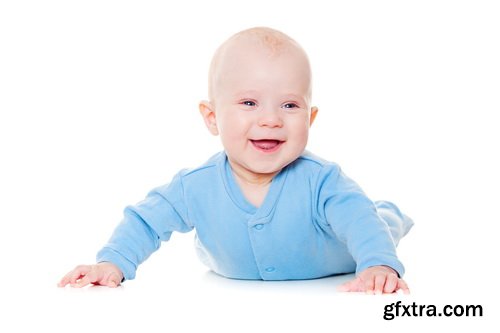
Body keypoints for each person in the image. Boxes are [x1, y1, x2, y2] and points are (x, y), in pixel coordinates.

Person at [58, 27, 413, 294]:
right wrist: (112, 262)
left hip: (344, 244)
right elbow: (146, 221)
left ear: (310, 118)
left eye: (290, 105)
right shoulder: (196, 185)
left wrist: (378, 264)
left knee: (375, 219)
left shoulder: (322, 180)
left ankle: (391, 216)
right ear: (212, 118)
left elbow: (357, 221)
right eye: (249, 103)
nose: (271, 119)